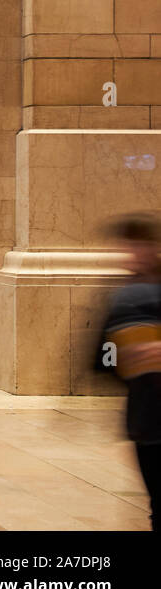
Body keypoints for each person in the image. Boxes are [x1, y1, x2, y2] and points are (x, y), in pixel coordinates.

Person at [100, 214, 161, 530]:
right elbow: (102, 358)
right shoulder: (121, 297)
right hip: (146, 417)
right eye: (127, 247)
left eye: (138, 247)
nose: (132, 255)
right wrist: (123, 358)